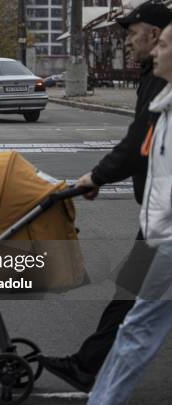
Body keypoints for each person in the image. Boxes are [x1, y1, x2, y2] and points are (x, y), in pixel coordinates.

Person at [40, 0, 172, 392]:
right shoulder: (154, 76)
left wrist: (94, 177)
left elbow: (136, 146)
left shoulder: (162, 81)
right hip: (159, 218)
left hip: (163, 223)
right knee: (132, 300)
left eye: (134, 35)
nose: (129, 43)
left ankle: (89, 368)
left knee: (135, 302)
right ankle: (89, 365)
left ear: (153, 34)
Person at [87, 22, 172, 404]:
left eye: (165, 45)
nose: (157, 52)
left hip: (166, 240)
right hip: (159, 234)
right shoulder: (162, 106)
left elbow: (136, 144)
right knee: (137, 321)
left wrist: (96, 177)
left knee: (138, 324)